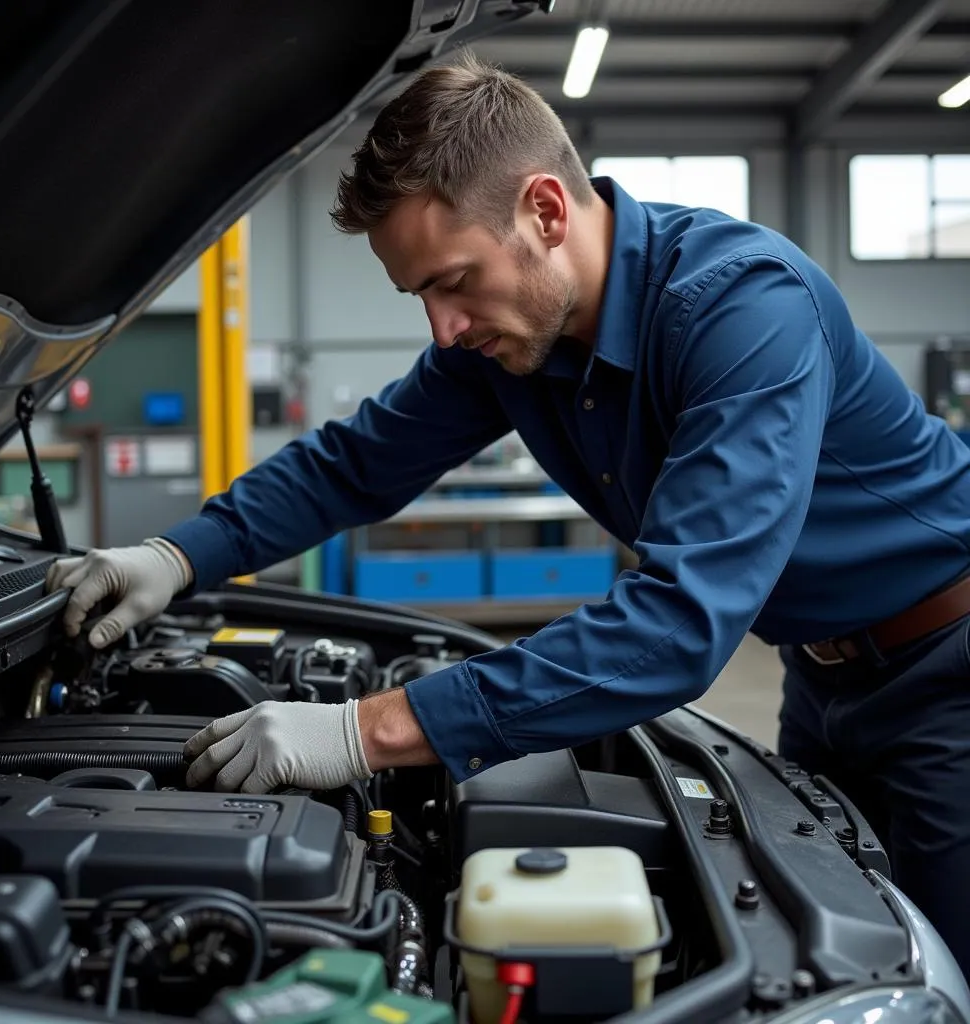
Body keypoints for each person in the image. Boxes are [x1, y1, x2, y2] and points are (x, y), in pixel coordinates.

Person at [47, 52, 970, 974]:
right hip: (824, 680)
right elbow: (356, 463)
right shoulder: (509, 343)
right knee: (848, 934)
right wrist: (175, 556)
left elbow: (683, 624)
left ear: (546, 211)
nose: (443, 328)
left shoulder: (743, 309)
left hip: (947, 674)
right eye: (421, 297)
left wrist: (364, 729)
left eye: (454, 280)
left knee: (934, 965)